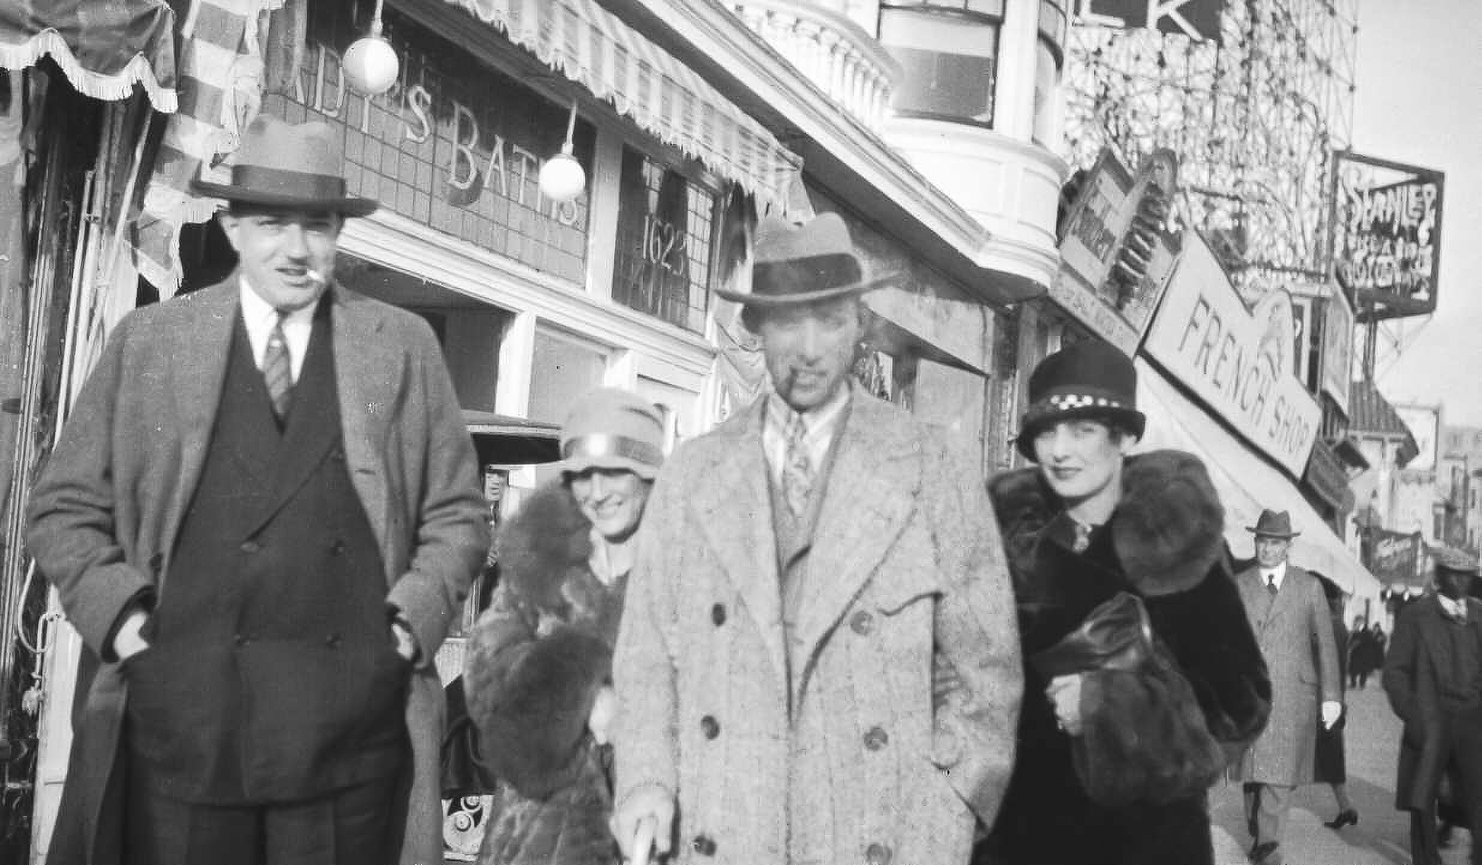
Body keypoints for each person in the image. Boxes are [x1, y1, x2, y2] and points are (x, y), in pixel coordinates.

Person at [25, 114, 489, 865]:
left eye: (317, 225)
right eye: (273, 223)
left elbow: (458, 516)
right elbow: (62, 508)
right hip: (182, 730)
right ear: (233, 227)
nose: (296, 249)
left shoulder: (402, 348)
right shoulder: (151, 342)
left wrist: (410, 625)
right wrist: (126, 625)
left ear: (339, 234)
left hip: (348, 743)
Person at [609, 212, 1023, 865]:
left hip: (879, 839)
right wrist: (646, 783)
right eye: (786, 322)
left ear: (860, 326)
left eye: (829, 321)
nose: (808, 348)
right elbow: (645, 658)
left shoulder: (930, 468)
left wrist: (947, 812)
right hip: (723, 833)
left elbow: (986, 669)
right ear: (757, 330)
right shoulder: (692, 475)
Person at [976, 340, 1271, 865]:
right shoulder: (1003, 541)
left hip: (1146, 841)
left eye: (1082, 430)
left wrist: (1107, 708)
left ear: (1126, 437)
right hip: (1019, 836)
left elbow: (1240, 706)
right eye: (1045, 432)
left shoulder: (1177, 545)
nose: (1059, 451)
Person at [462, 388, 666, 865]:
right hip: (537, 833)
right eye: (582, 475)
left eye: (614, 471)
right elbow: (486, 677)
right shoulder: (539, 561)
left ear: (649, 473)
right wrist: (584, 696)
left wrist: (639, 719)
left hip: (649, 827)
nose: (598, 492)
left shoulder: (688, 568)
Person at [1234, 509, 1343, 865]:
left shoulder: (1308, 587)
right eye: (1262, 541)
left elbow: (1326, 644)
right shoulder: (1239, 584)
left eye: (1275, 542)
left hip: (1293, 693)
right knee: (1252, 774)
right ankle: (1260, 832)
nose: (1267, 549)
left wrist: (1331, 697)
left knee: (1278, 774)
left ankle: (1268, 846)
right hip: (1250, 693)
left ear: (1287, 547)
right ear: (1255, 543)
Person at [1382, 546, 1482, 865]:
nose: (1461, 582)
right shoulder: (1416, 616)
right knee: (1422, 794)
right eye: (1454, 575)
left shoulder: (1479, 614)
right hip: (1430, 718)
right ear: (1439, 576)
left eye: (1467, 576)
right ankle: (1425, 858)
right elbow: (1395, 671)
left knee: (1477, 791)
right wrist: (1413, 713)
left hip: (1472, 719)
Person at [1314, 575, 1359, 830]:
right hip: (1334, 699)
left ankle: (1267, 821)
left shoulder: (1324, 626)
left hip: (1318, 701)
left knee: (1290, 758)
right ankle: (1346, 807)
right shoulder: (1339, 625)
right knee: (1331, 759)